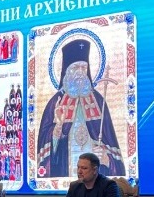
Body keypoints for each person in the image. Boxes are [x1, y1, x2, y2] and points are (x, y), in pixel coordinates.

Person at [37, 39, 126, 177]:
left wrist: (106, 159)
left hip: (95, 180)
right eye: (75, 68)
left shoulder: (98, 101)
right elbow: (45, 150)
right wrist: (58, 127)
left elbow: (113, 148)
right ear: (66, 72)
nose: (80, 72)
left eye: (83, 68)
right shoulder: (56, 102)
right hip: (66, 172)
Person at [56, 153, 121, 197]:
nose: (79, 171)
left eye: (84, 168)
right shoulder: (75, 186)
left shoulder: (109, 185)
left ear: (95, 170)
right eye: (78, 167)